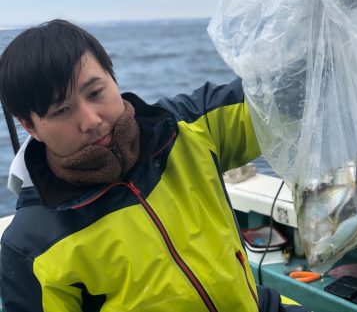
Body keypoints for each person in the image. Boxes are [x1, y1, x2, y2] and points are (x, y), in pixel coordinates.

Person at [0, 20, 307, 311]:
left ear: (113, 78)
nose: (91, 120)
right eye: (62, 110)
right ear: (31, 127)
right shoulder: (31, 246)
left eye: (96, 93)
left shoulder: (186, 128)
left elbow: (287, 96)